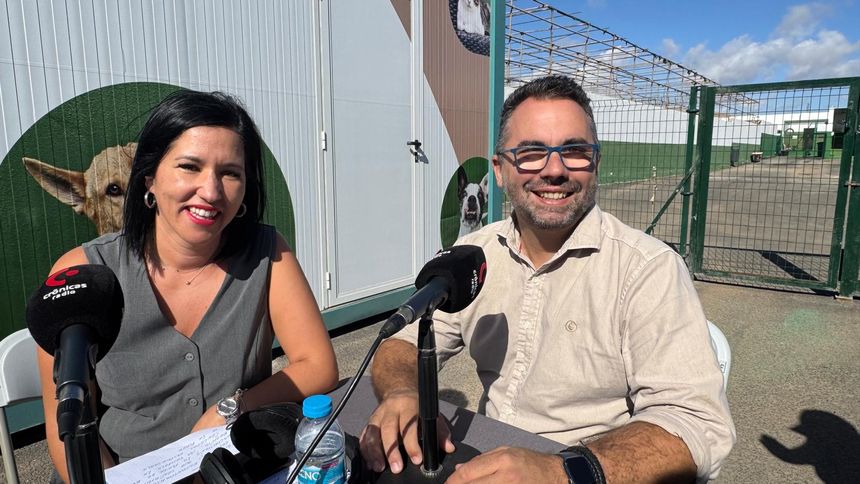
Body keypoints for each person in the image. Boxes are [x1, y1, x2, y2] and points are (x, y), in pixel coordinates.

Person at [359, 75, 735, 483]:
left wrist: (564, 471)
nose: (554, 170)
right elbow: (402, 343)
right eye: (532, 152)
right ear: (500, 171)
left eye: (574, 151)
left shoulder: (648, 269)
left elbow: (696, 425)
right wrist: (402, 392)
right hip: (485, 459)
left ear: (596, 164)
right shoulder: (473, 256)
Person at [36, 90, 339, 482]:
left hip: (234, 472)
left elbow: (318, 365)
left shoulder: (267, 253)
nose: (211, 192)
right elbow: (67, 427)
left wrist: (233, 407)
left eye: (230, 173)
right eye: (189, 167)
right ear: (149, 177)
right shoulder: (81, 272)